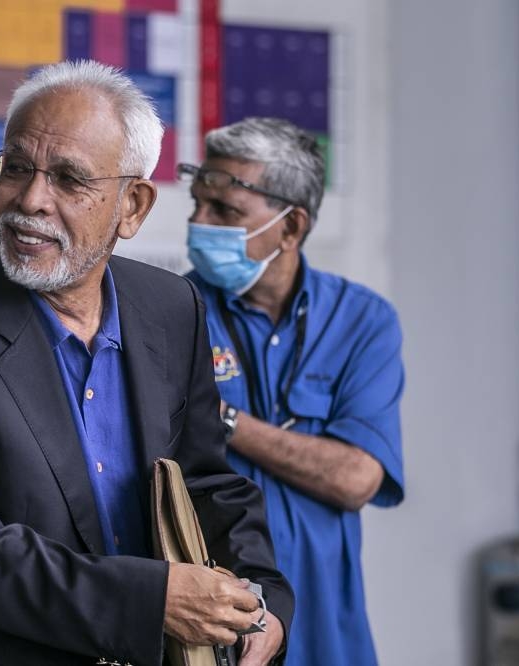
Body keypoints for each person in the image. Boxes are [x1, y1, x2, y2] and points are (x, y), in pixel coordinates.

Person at [0, 61, 292, 666]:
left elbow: (207, 481)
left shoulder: (172, 307)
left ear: (133, 206)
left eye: (69, 179)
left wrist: (261, 602)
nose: (30, 200)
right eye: (16, 167)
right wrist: (150, 602)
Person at [180, 117, 405, 666]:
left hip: (329, 629)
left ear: (291, 226)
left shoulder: (362, 320)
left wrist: (225, 418)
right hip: (218, 622)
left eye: (225, 212)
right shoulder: (171, 312)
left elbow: (356, 478)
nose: (198, 223)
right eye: (197, 203)